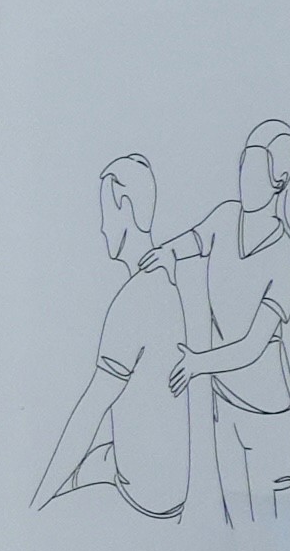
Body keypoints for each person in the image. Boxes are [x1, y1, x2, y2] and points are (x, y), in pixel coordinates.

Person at [32, 157, 192, 520]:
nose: (103, 228)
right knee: (86, 466)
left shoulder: (134, 300)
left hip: (144, 497)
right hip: (165, 485)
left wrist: (37, 502)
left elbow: (90, 412)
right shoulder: (166, 284)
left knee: (52, 498)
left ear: (126, 207)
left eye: (106, 212)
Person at [172, 118, 290, 532]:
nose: (244, 180)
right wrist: (164, 253)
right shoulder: (225, 217)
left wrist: (197, 363)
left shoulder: (287, 255)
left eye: (255, 170)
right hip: (226, 408)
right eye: (243, 167)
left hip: (269, 416)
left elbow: (253, 345)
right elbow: (193, 240)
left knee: (279, 533)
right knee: (239, 536)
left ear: (279, 180)